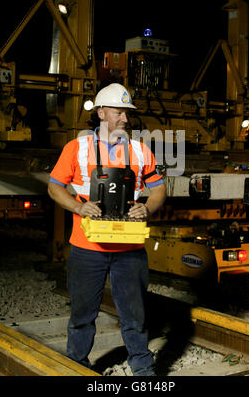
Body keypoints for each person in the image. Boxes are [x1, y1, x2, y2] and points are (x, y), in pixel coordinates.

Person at [48, 83, 167, 376]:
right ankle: (76, 366)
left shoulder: (140, 151)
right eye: (118, 112)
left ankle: (142, 369)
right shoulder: (77, 148)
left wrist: (147, 207)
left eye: (127, 113)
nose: (125, 119)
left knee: (135, 315)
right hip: (88, 248)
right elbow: (54, 188)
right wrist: (78, 207)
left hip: (130, 250)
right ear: (101, 113)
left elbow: (159, 189)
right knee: (82, 315)